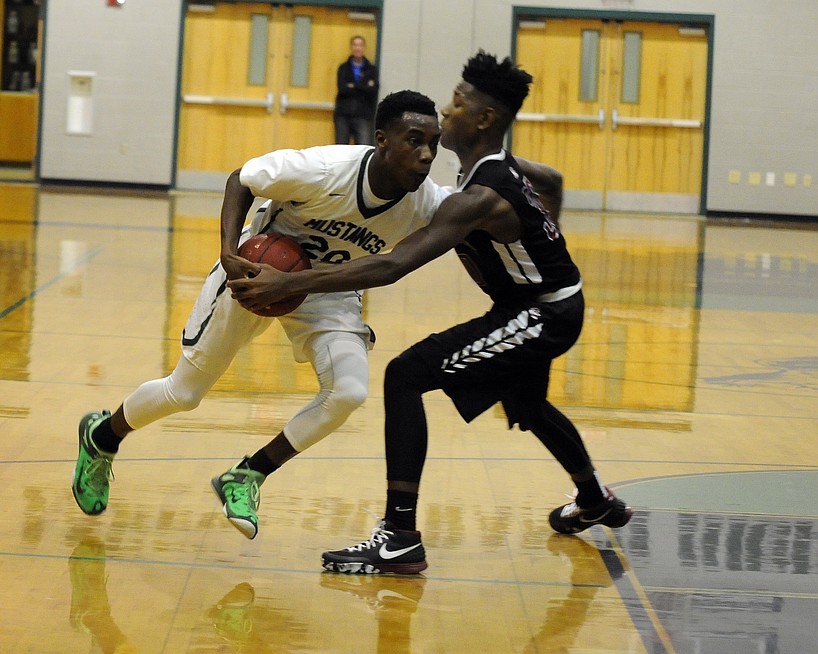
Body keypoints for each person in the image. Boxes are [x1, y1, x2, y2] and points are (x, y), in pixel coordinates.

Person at [230, 51, 633, 574]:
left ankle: (399, 536)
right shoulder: (497, 172)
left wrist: (292, 283)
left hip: (542, 312)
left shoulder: (479, 198)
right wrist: (542, 239)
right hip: (543, 302)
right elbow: (552, 182)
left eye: (458, 103)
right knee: (529, 408)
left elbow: (394, 264)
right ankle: (595, 500)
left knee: (406, 375)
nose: (446, 111)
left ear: (484, 119)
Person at [71, 90, 449, 540]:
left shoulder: (428, 203)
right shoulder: (324, 168)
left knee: (348, 391)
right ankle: (102, 437)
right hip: (259, 273)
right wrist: (230, 254)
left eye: (434, 144)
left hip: (327, 290)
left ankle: (248, 475)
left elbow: (477, 211)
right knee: (185, 392)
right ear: (382, 139)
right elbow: (242, 179)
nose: (427, 156)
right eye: (414, 141)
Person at [334, 35, 378, 145]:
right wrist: (364, 86)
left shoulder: (371, 69)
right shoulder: (343, 68)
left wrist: (353, 85)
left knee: (363, 149)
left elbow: (373, 91)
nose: (357, 48)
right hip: (343, 116)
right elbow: (342, 89)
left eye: (360, 45)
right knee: (341, 150)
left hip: (363, 115)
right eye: (355, 45)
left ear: (364, 48)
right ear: (351, 47)